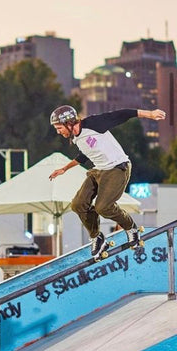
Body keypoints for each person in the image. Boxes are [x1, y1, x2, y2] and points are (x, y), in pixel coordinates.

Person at [49, 106, 166, 260]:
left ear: (69, 123)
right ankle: (97, 237)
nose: (58, 132)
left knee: (103, 207)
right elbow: (84, 155)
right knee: (78, 204)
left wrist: (149, 114)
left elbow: (122, 113)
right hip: (98, 171)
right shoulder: (76, 137)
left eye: (59, 128)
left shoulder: (94, 123)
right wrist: (64, 169)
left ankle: (131, 229)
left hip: (117, 168)